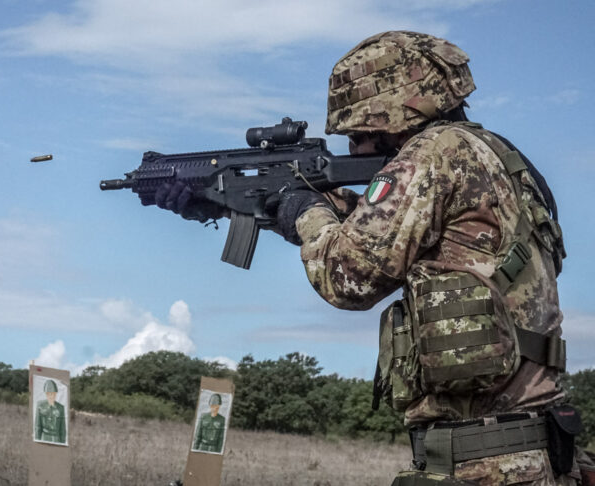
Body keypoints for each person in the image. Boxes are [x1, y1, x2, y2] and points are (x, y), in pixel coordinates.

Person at [156, 31, 583, 485]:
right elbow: (378, 228)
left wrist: (305, 210)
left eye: (358, 135)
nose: (353, 149)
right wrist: (229, 201)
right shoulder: (491, 157)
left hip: (484, 462)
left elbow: (348, 275)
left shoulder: (430, 154)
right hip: (530, 451)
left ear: (392, 113)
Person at [34, 379, 66, 444]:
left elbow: (62, 429)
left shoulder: (60, 407)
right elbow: (38, 426)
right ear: (46, 394)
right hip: (44, 437)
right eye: (49, 394)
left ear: (56, 393)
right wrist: (37, 442)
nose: (51, 396)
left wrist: (63, 444)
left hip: (57, 439)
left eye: (53, 394)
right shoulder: (40, 405)